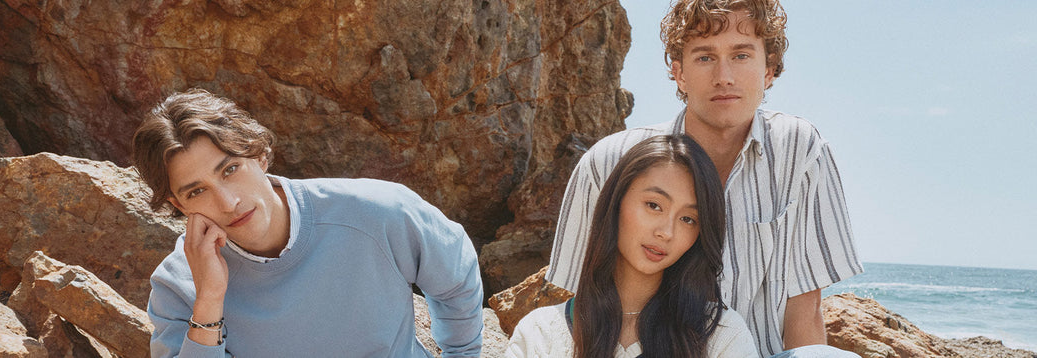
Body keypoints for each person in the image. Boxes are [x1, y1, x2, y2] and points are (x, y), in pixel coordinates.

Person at [545, 1, 862, 356]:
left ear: (769, 69)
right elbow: (576, 305)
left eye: (741, 56)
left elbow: (805, 307)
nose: (724, 76)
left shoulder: (801, 151)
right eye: (705, 57)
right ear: (679, 73)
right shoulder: (609, 163)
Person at [134, 89, 484, 357]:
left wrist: (462, 353)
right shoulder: (178, 286)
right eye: (197, 192)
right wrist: (209, 299)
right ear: (177, 204)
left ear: (258, 154)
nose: (228, 203)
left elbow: (455, 277)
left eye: (230, 169)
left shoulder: (375, 212)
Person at [507, 135, 757, 358]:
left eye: (688, 219)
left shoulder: (723, 336)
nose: (666, 232)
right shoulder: (541, 333)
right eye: (653, 205)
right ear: (617, 201)